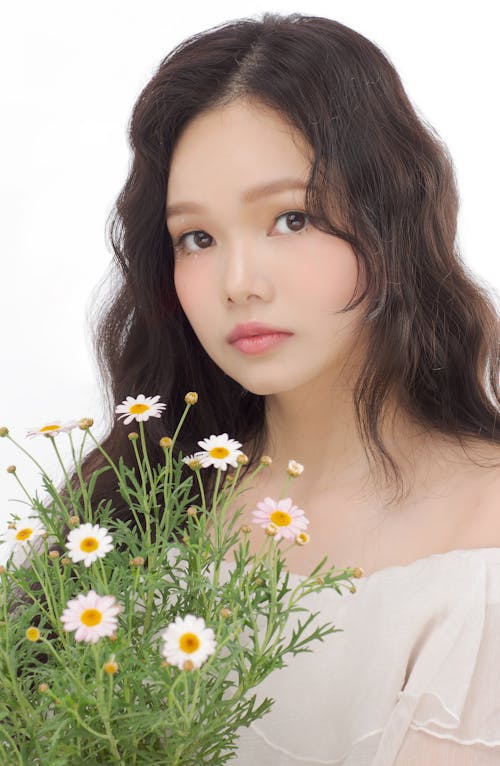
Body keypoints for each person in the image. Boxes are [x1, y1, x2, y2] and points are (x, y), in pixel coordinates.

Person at [82, 12, 500, 764]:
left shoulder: (483, 535)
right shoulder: (146, 507)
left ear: (391, 221)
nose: (239, 284)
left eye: (292, 217)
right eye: (197, 239)